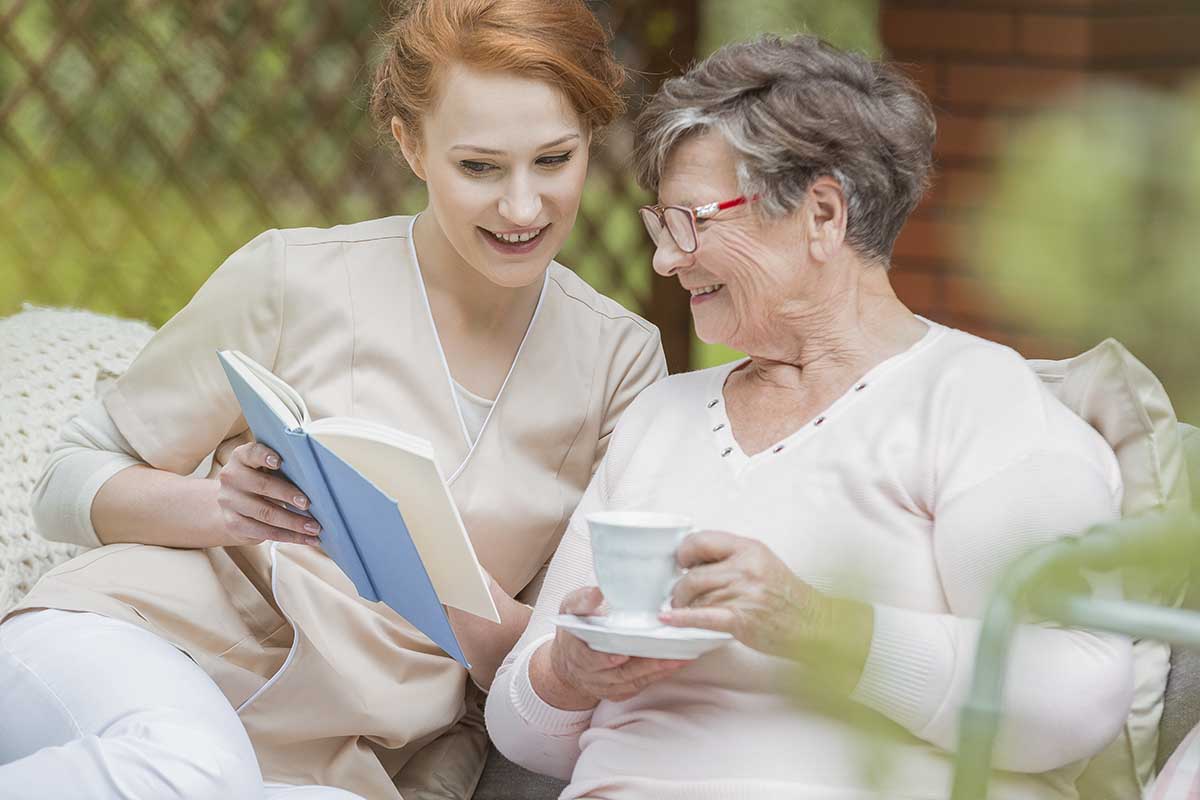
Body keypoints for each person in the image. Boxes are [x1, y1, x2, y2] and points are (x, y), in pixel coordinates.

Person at [0, 2, 665, 798]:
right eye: (480, 167)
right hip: (137, 644)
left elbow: (557, 663)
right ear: (410, 145)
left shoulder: (622, 363)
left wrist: (443, 583)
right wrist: (220, 508)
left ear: (593, 138)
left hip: (337, 755)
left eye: (553, 160)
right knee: (188, 769)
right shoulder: (293, 278)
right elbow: (64, 480)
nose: (522, 208)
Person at [486, 34, 1134, 800]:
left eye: (691, 222)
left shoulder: (973, 400)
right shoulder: (661, 416)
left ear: (822, 215)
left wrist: (822, 628)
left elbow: (1077, 695)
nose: (666, 260)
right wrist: (568, 671)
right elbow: (521, 731)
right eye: (663, 227)